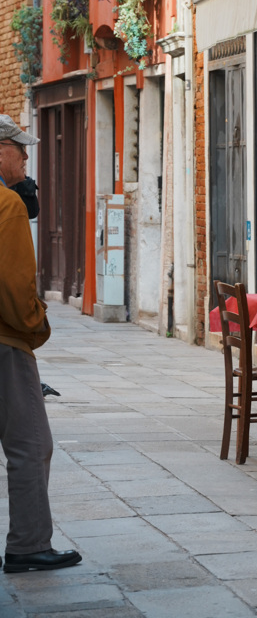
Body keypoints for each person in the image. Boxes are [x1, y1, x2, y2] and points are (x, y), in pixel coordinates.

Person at [0, 114, 81, 574]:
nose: (27, 159)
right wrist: (37, 329)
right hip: (5, 343)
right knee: (31, 444)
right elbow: (14, 291)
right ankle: (28, 544)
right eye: (20, 149)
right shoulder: (7, 206)